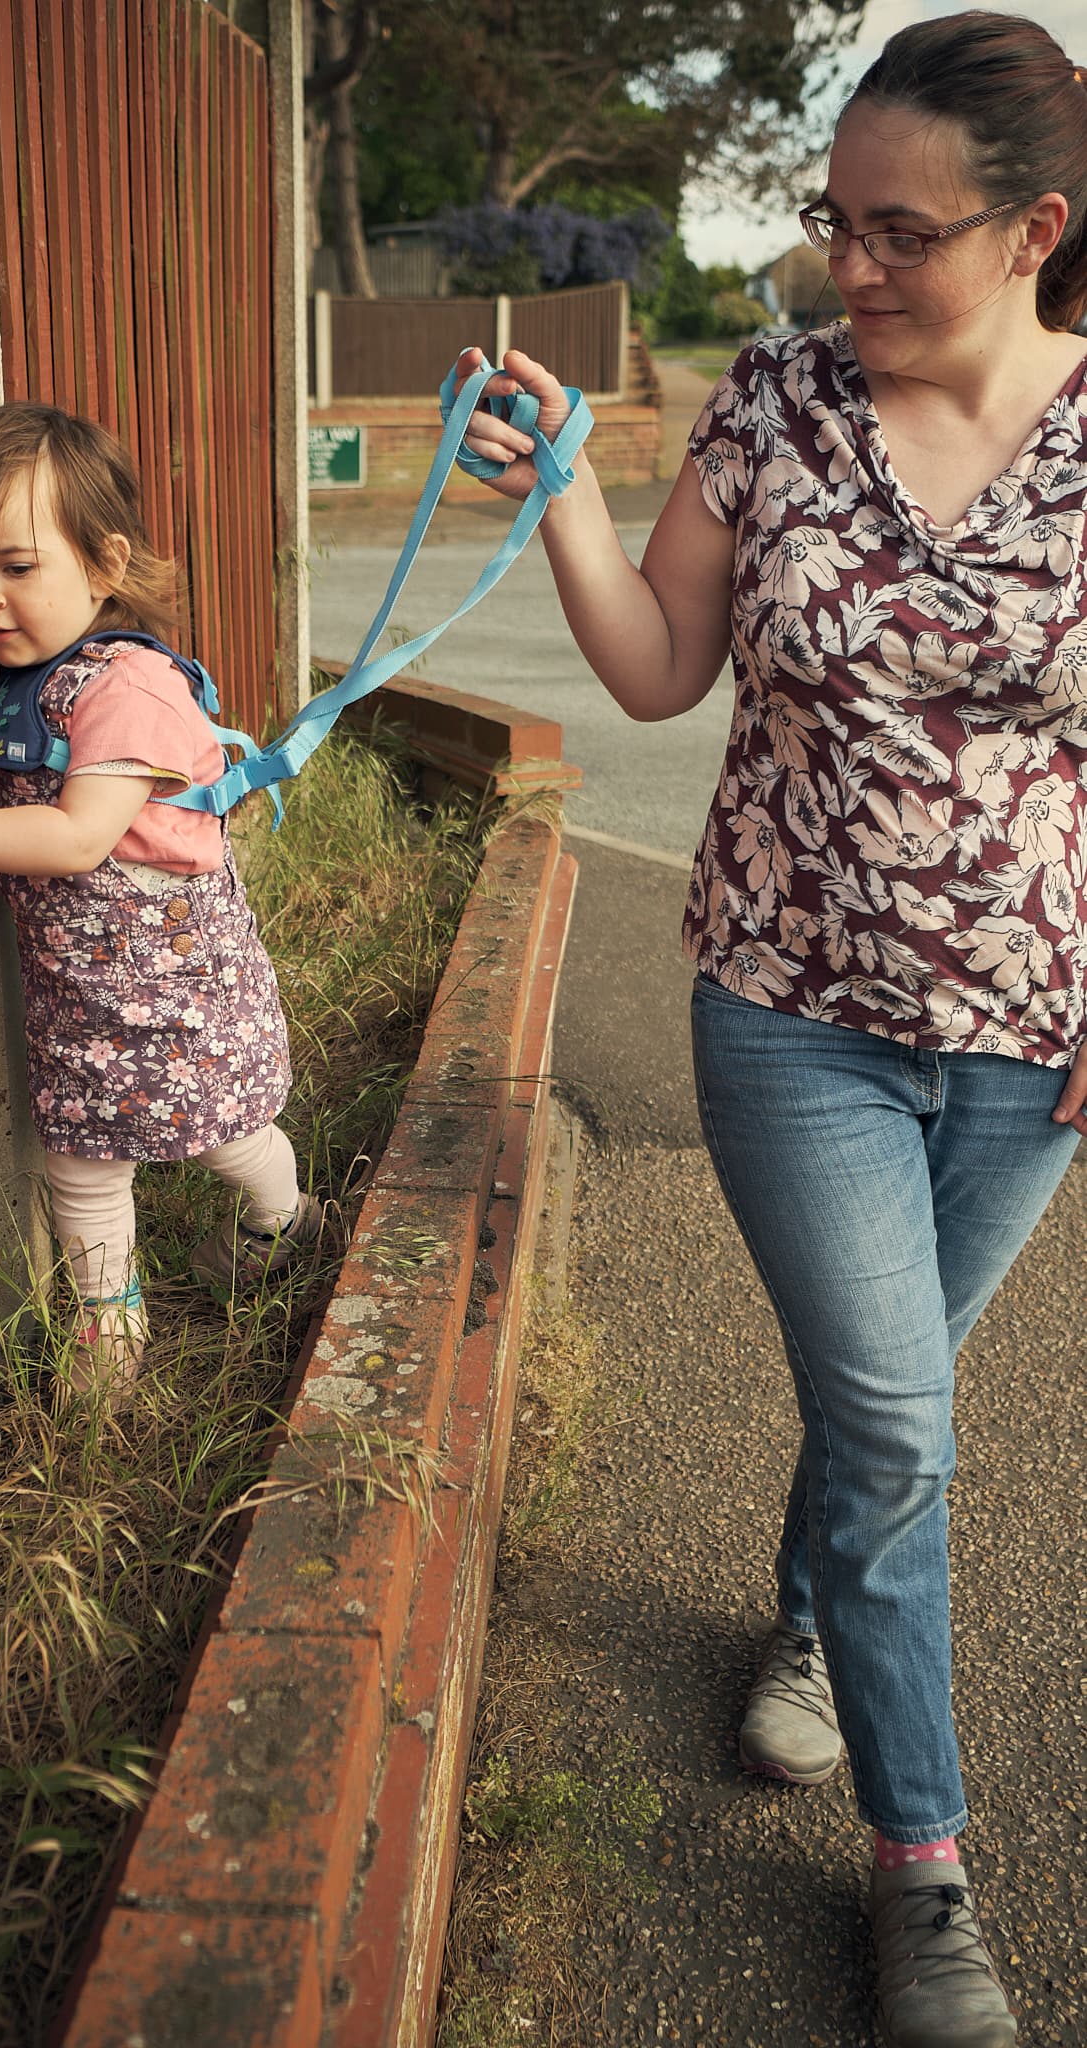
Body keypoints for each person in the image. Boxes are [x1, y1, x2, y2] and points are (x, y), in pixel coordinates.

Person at [453, 13, 1087, 2046]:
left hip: (1028, 1037)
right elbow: (650, 671)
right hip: (785, 1010)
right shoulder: (775, 402)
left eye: (899, 233)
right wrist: (559, 490)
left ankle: (808, 1616)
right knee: (898, 1419)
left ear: (1033, 231)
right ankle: (925, 1882)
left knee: (879, 1404)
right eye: (834, 224)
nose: (849, 269)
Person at [0, 404, 321, 1396]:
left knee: (227, 1134)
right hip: (83, 1004)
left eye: (15, 566)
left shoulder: (126, 685)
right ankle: (109, 1330)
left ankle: (284, 1219)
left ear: (103, 562)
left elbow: (76, 836)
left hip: (180, 997)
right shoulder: (32, 680)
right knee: (82, 1158)